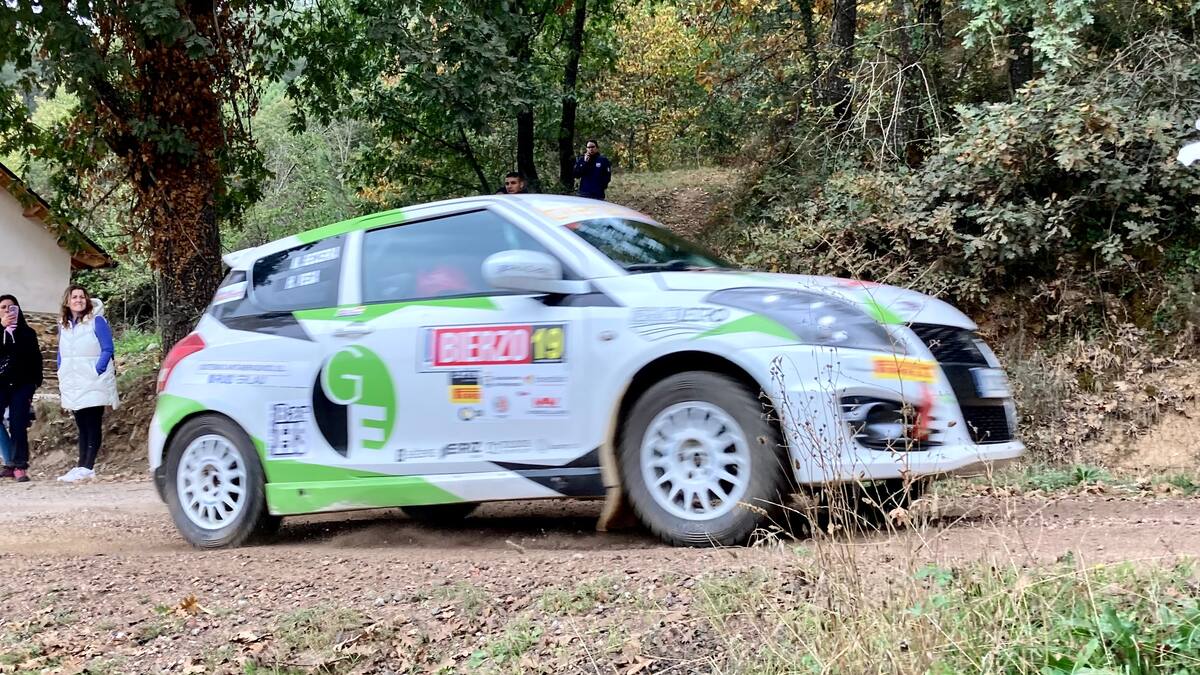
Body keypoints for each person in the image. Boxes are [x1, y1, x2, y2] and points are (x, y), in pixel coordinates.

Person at [56, 285, 119, 482]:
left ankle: (88, 466)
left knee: (92, 424)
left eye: (82, 297)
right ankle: (81, 465)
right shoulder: (64, 325)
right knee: (81, 424)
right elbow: (61, 352)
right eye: (74, 297)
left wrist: (97, 370)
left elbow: (107, 349)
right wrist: (60, 370)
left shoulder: (96, 321)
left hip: (93, 379)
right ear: (67, 301)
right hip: (73, 381)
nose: (79, 300)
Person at [0, 294, 43, 482]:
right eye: (2, 307)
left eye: (11, 307)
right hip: (0, 384)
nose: (7, 311)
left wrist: (35, 383)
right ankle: (9, 460)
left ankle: (19, 466)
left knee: (18, 424)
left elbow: (36, 360)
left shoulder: (27, 333)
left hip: (22, 385)